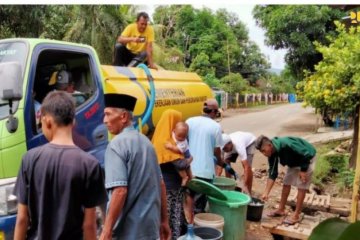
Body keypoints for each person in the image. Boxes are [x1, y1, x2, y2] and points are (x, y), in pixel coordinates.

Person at [13, 91, 107, 240]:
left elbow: (22, 219)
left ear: (48, 121)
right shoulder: (89, 165)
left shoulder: (29, 159)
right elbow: (89, 225)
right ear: (73, 122)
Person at [100, 93, 171, 240]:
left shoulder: (116, 145)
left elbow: (119, 190)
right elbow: (161, 184)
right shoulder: (146, 143)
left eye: (108, 114)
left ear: (124, 117)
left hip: (129, 233)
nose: (104, 120)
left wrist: (106, 231)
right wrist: (164, 221)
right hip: (150, 230)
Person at [152, 109, 194, 239]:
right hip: (170, 188)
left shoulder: (159, 138)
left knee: (168, 214)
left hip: (163, 184)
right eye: (176, 120)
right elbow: (181, 164)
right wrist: (189, 159)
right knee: (170, 215)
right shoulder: (166, 143)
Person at [255, 135, 316, 225]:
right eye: (261, 152)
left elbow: (306, 153)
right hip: (294, 161)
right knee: (286, 182)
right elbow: (273, 172)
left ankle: (296, 215)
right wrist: (266, 192)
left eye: (264, 150)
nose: (263, 154)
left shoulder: (287, 144)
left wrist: (303, 170)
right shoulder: (271, 153)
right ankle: (281, 209)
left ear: (269, 145)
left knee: (301, 185)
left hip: (307, 158)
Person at [186, 99, 224, 213]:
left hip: (189, 170)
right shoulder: (216, 126)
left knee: (187, 202)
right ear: (214, 112)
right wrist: (221, 163)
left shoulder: (189, 121)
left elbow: (184, 143)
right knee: (198, 206)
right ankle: (197, 228)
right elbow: (217, 151)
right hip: (205, 172)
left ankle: (186, 227)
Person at [165, 121, 193, 187]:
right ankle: (190, 176)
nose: (181, 138)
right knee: (186, 166)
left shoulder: (183, 142)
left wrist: (171, 147)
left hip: (185, 152)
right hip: (185, 153)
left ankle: (185, 177)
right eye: (179, 136)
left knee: (180, 166)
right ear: (174, 131)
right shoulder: (172, 134)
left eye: (184, 136)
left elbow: (179, 150)